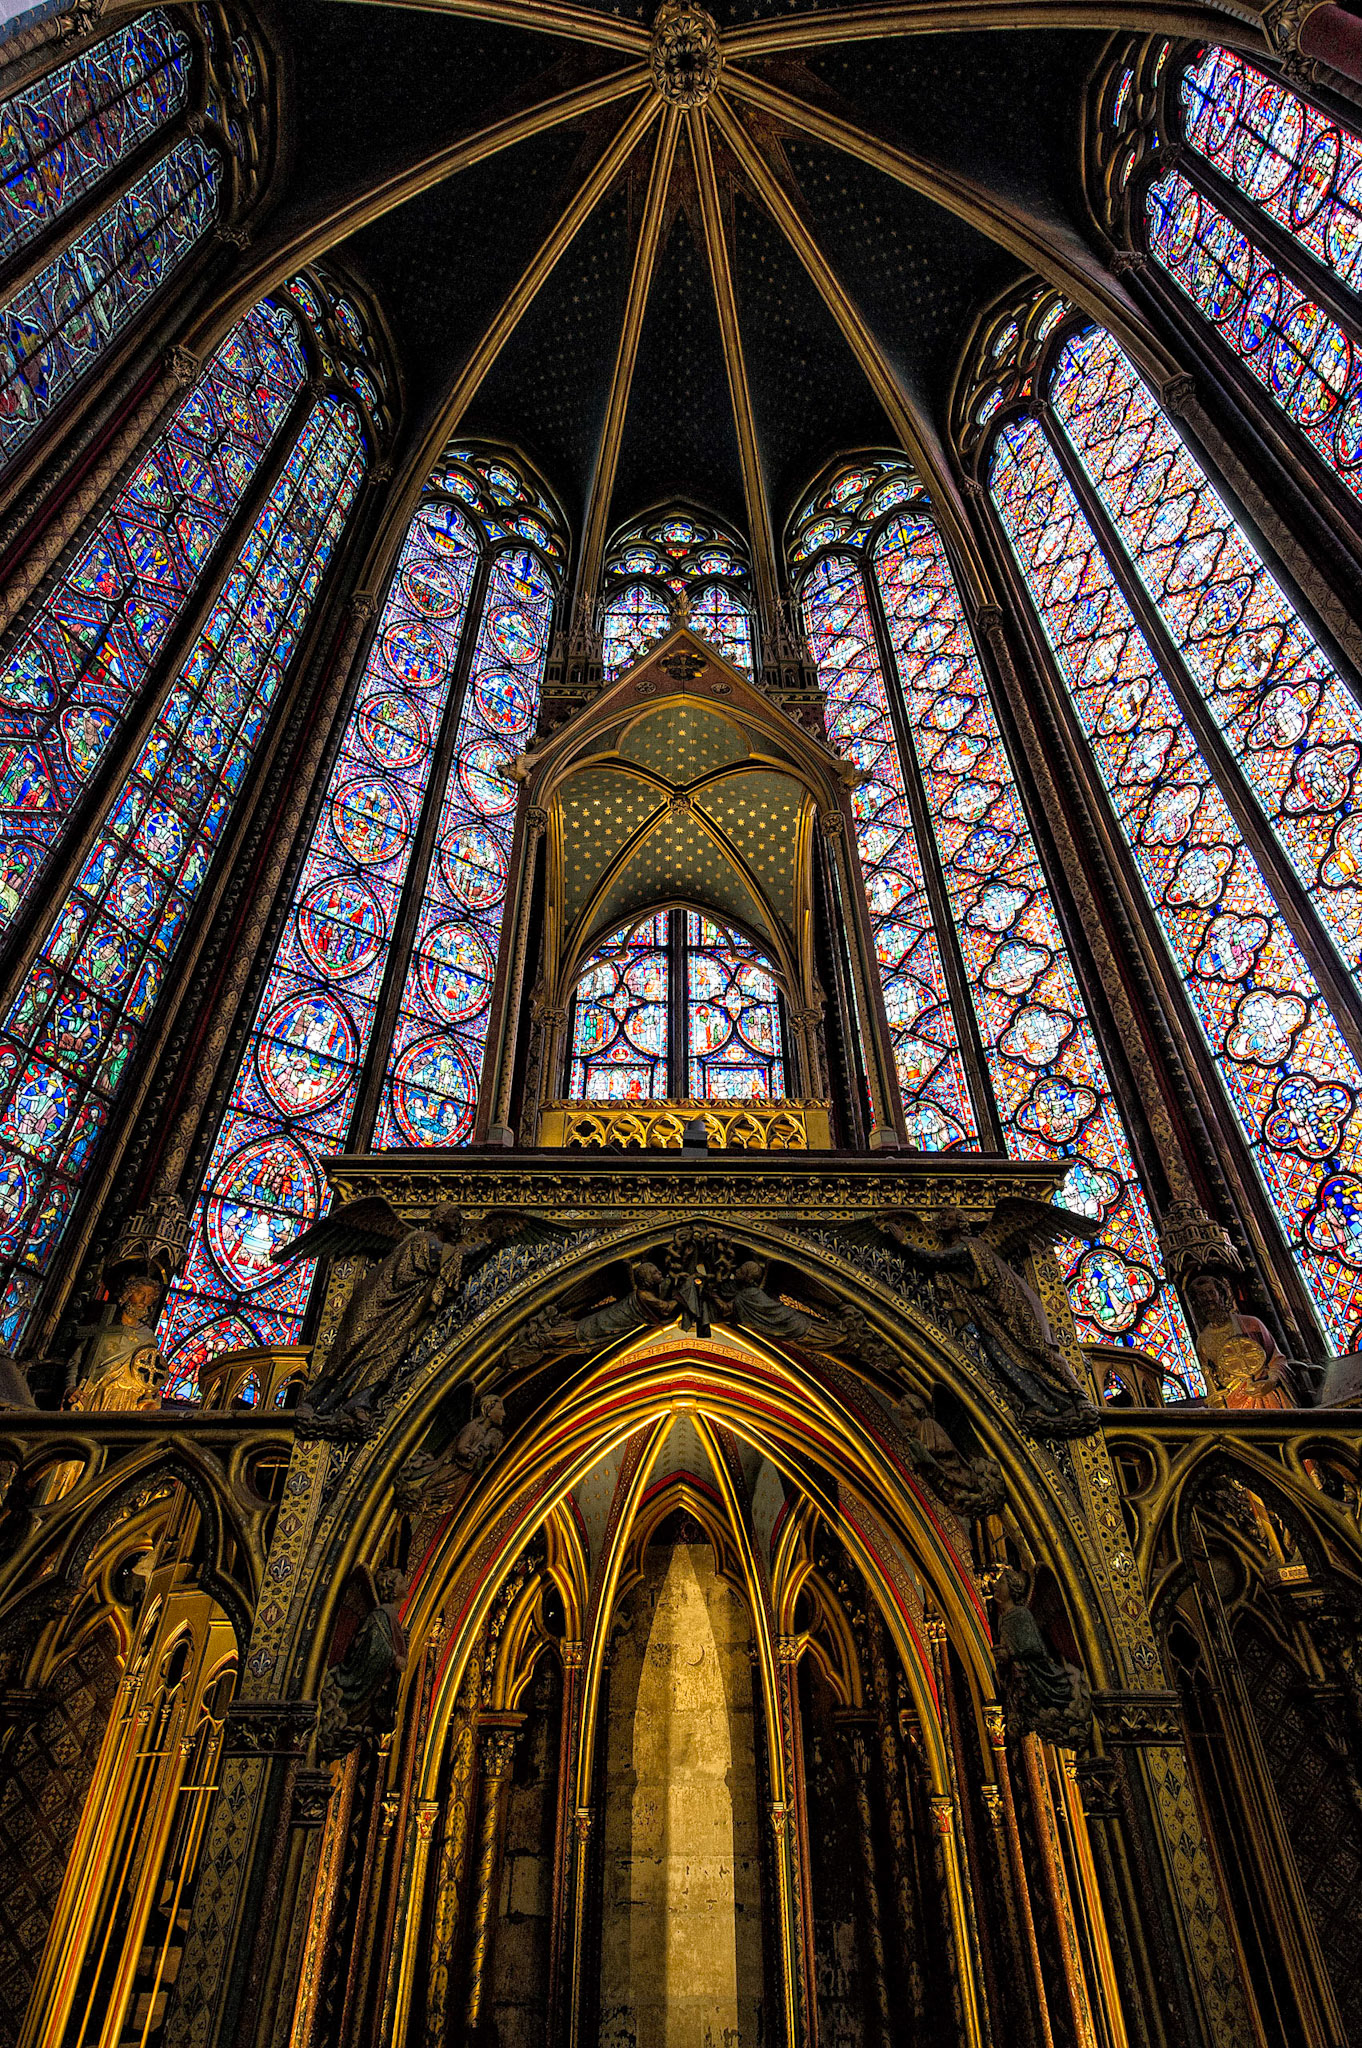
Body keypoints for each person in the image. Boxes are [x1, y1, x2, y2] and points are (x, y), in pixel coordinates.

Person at [1187, 1273, 1297, 1410]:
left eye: (1211, 1292)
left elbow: (1277, 1360)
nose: (1209, 1299)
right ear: (1196, 1302)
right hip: (1233, 1404)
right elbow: (1212, 1383)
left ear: (1221, 1295)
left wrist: (1271, 1381)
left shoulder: (1251, 1324)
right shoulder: (1202, 1342)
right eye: (1202, 1295)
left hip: (1264, 1394)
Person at [66, 1275, 164, 1411]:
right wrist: (70, 1386)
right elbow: (76, 1359)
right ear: (127, 1294)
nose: (144, 1300)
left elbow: (150, 1376)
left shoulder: (148, 1337)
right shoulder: (103, 1327)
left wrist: (151, 1397)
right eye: (140, 1293)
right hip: (96, 1394)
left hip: (130, 1401)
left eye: (149, 1296)